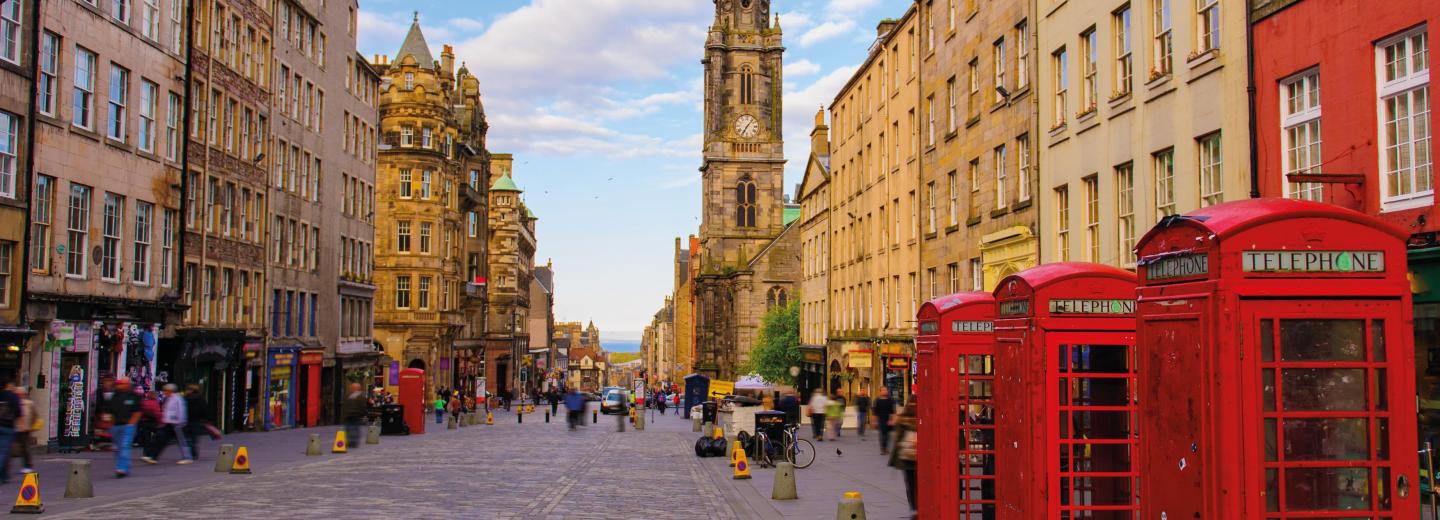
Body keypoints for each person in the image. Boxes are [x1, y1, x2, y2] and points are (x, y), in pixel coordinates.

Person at [103, 378, 142, 478]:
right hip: (116, 426)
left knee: (125, 446)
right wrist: (110, 425)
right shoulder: (114, 396)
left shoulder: (134, 396)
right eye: (119, 384)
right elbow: (110, 412)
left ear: (127, 384)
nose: (120, 386)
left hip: (128, 426)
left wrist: (131, 425)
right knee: (118, 448)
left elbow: (137, 412)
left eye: (122, 384)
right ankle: (126, 464)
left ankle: (121, 468)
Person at [147, 384, 192, 464]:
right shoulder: (168, 398)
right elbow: (166, 410)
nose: (164, 392)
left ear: (170, 391)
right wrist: (164, 420)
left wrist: (180, 421)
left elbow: (181, 411)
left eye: (166, 391)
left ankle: (187, 457)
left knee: (181, 441)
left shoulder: (177, 398)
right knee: (162, 440)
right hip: (169, 423)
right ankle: (154, 457)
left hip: (176, 423)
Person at [889, 401, 919, 518]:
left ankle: (914, 508)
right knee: (919, 484)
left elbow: (897, 439)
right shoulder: (923, 419)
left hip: (906, 458)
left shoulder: (901, 419)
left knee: (910, 484)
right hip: (921, 458)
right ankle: (919, 506)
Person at [11, 386, 36, 474]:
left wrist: (30, 425)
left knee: (24, 447)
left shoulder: (29, 403)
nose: (18, 395)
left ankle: (27, 465)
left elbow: (34, 415)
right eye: (17, 393)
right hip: (13, 427)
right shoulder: (14, 402)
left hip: (24, 429)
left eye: (19, 393)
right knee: (10, 447)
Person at [183, 385, 211, 461]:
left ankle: (190, 453)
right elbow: (205, 409)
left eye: (188, 389)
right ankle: (193, 454)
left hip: (187, 420)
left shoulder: (186, 398)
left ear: (191, 390)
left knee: (187, 438)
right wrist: (207, 419)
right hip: (197, 420)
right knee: (194, 438)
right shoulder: (201, 398)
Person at [0, 383, 19, 484]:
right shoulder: (13, 396)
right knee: (4, 452)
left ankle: (4, 475)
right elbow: (19, 412)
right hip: (7, 426)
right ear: (10, 386)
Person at [341, 383, 368, 449]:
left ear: (357, 388)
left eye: (353, 387)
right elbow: (345, 406)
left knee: (355, 428)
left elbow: (362, 406)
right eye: (351, 387)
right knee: (348, 428)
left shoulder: (360, 396)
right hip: (348, 415)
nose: (351, 388)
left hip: (355, 415)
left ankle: (354, 441)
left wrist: (361, 414)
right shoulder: (349, 395)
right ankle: (349, 441)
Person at [872, 387, 897, 454]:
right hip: (881, 419)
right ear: (880, 392)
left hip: (888, 419)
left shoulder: (890, 400)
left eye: (885, 390)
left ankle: (885, 448)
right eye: (883, 390)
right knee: (883, 434)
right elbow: (874, 412)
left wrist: (892, 420)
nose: (884, 391)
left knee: (887, 435)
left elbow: (893, 411)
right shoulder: (877, 400)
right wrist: (874, 421)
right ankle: (883, 449)